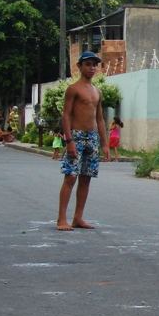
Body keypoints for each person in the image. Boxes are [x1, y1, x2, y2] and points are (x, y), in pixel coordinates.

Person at [56, 51, 110, 231]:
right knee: (71, 176)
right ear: (79, 66)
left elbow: (100, 118)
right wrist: (69, 140)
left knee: (86, 178)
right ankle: (61, 219)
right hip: (76, 136)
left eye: (95, 64)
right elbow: (66, 115)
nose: (92, 67)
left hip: (92, 138)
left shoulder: (97, 91)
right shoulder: (73, 89)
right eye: (88, 64)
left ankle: (78, 217)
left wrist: (105, 143)